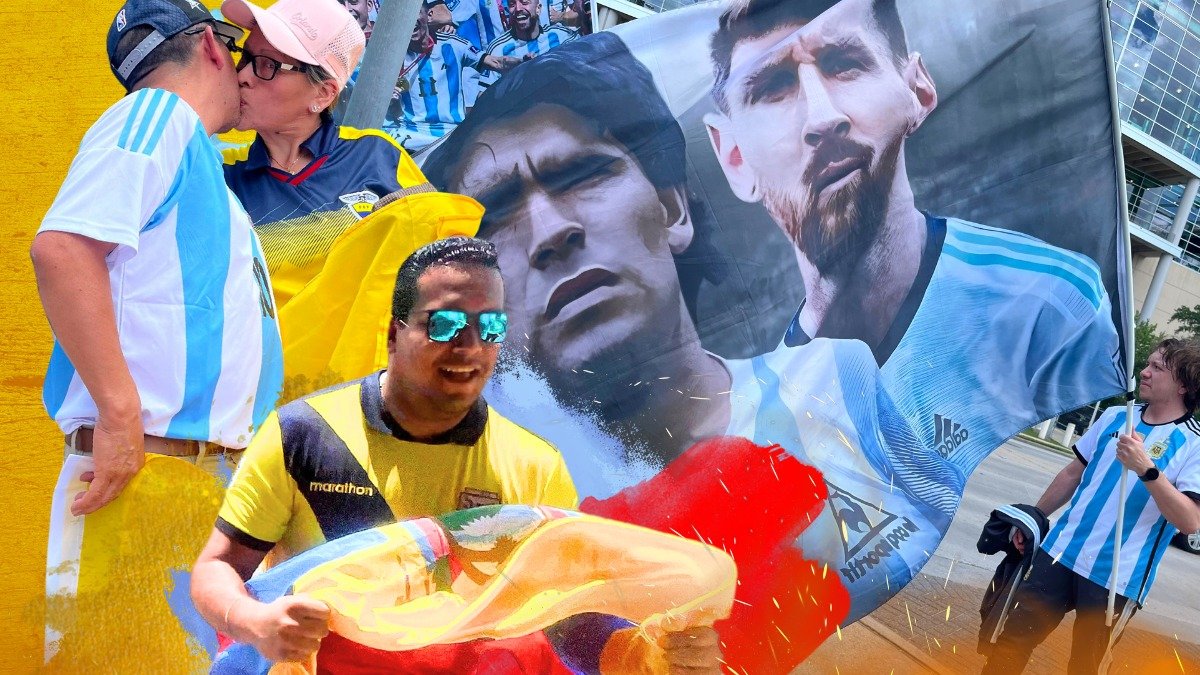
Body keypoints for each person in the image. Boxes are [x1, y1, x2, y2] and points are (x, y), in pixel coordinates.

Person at [422, 30, 961, 630]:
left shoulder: (836, 390)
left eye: (581, 175)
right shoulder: (470, 474)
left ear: (673, 210)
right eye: (494, 214)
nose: (550, 231)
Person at [191, 237, 721, 670]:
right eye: (444, 324)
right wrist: (254, 623)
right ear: (394, 334)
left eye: (490, 327)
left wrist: (640, 657)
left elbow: (565, 617)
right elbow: (217, 568)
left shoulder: (535, 466)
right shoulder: (303, 435)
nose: (469, 346)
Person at [704, 0, 1124, 475]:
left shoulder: (1053, 305)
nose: (821, 117)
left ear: (917, 90)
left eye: (844, 64)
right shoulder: (746, 400)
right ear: (735, 157)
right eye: (772, 89)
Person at [31, 0, 281, 515]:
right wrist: (120, 414)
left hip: (183, 465)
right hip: (152, 463)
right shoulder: (159, 113)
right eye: (237, 52)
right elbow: (63, 250)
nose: (242, 74)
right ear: (211, 45)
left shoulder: (185, 145)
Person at [983, 338, 1200, 675]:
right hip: (1060, 552)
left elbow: (1190, 521)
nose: (1144, 372)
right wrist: (1034, 518)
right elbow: (1072, 473)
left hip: (1116, 576)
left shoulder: (1193, 443)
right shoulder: (1116, 416)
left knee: (1085, 667)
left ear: (1184, 384)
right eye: (1147, 363)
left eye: (1157, 367)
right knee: (1011, 641)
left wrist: (1146, 469)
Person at [221, 0, 430, 308]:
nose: (242, 76)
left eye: (268, 65)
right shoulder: (221, 176)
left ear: (323, 93)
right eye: (246, 57)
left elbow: (436, 271)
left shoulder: (376, 156)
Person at [383, 0, 484, 153]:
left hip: (451, 131)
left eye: (416, 12)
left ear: (429, 15)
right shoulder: (390, 54)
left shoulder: (452, 44)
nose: (410, 18)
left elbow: (445, 15)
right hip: (411, 132)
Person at [481, 0, 576, 76]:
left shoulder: (563, 36)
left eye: (524, 2)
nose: (518, 8)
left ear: (538, 8)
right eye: (512, 4)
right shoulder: (497, 49)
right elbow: (484, 92)